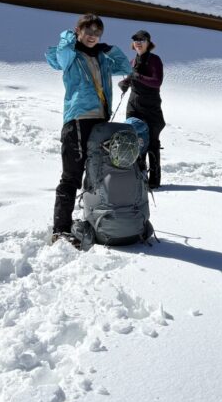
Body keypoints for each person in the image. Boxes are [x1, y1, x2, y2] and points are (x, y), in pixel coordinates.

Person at [45, 14, 131, 246]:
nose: (93, 36)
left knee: (97, 173)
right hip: (78, 120)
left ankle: (96, 218)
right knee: (71, 175)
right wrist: (68, 37)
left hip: (101, 122)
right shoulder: (71, 55)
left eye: (97, 33)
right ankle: (60, 229)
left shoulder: (101, 58)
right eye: (88, 31)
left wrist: (110, 49)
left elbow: (124, 66)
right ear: (78, 31)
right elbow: (60, 56)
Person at [118, 29, 166, 188]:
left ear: (148, 43)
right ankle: (137, 176)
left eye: (142, 39)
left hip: (150, 107)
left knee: (151, 142)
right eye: (135, 39)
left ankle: (154, 181)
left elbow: (156, 81)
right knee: (134, 140)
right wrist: (126, 83)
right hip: (133, 105)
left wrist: (136, 76)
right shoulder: (132, 62)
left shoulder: (154, 60)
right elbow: (133, 78)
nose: (138, 42)